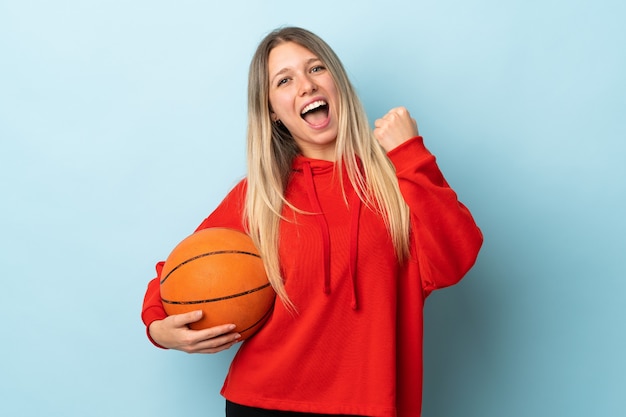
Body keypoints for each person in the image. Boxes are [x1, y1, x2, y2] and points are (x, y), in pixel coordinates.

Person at [141, 26, 483, 417]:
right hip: (262, 402)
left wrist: (410, 154)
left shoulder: (399, 179)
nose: (305, 86)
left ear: (337, 83)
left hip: (374, 404)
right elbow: (180, 271)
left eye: (316, 69)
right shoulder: (261, 195)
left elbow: (457, 258)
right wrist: (157, 325)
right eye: (284, 80)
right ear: (271, 109)